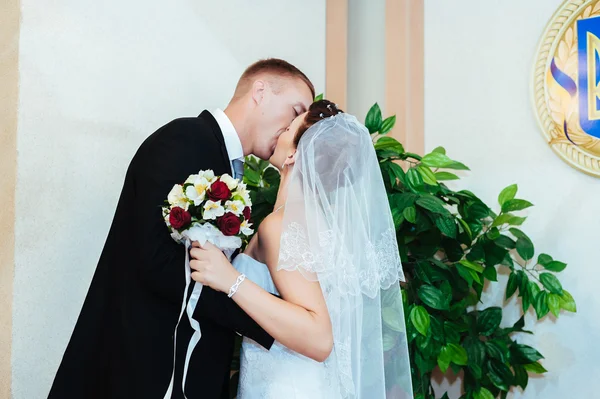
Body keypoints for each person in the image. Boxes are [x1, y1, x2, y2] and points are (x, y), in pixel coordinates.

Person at [48, 58, 315, 399]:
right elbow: (156, 260)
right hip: (143, 370)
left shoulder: (228, 168)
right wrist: (275, 320)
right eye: (295, 111)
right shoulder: (185, 140)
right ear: (260, 92)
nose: (296, 127)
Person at [191, 99, 414, 398]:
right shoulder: (324, 228)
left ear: (294, 154)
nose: (279, 131)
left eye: (287, 128)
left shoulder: (281, 225)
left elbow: (319, 339)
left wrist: (229, 279)